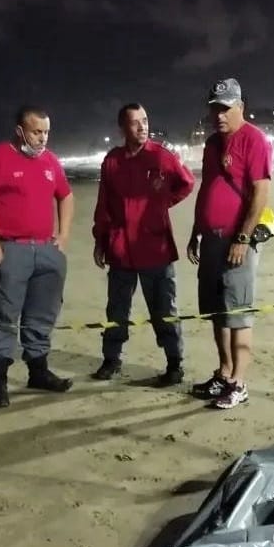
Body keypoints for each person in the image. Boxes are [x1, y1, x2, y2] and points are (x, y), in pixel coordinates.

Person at [0, 105, 75, 409]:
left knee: (42, 314)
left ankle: (38, 372)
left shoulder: (51, 162)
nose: (42, 138)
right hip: (10, 249)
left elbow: (66, 195)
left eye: (46, 132)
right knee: (3, 315)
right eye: (36, 132)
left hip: (47, 251)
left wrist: (63, 234)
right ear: (20, 131)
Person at [91, 103, 196, 385]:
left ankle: (174, 363)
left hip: (156, 250)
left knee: (164, 310)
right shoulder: (112, 161)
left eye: (145, 120)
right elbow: (104, 205)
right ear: (122, 127)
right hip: (121, 250)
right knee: (116, 311)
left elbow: (186, 183)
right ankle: (111, 359)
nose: (142, 126)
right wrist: (100, 240)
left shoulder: (162, 156)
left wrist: (161, 206)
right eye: (135, 122)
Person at [186, 77, 273, 410]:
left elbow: (260, 192)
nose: (218, 115)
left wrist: (242, 237)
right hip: (210, 239)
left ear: (240, 107)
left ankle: (239, 381)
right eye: (214, 109)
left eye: (225, 108)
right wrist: (196, 229)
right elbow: (207, 188)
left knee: (238, 313)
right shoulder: (211, 145)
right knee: (216, 312)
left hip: (237, 240)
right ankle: (223, 374)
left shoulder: (254, 140)